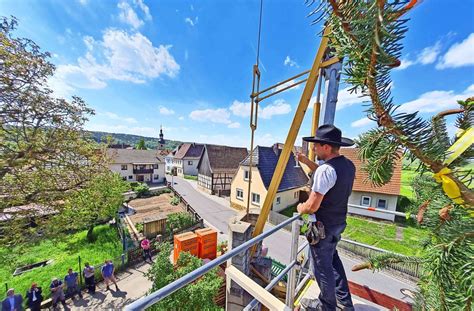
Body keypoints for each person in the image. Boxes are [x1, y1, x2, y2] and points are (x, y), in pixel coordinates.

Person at [297, 124, 356, 311]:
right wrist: (306, 161)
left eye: (316, 145)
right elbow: (326, 174)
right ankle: (345, 303)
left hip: (323, 228)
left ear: (326, 147)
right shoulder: (348, 165)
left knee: (321, 269)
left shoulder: (325, 171)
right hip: (338, 223)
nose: (314, 148)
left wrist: (300, 207)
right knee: (333, 262)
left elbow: (312, 206)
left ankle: (326, 306)